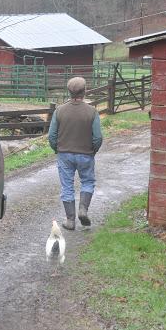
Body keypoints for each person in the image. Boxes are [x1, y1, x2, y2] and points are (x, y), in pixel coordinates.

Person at [48, 76, 103, 230]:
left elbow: (52, 136)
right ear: (84, 92)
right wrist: (93, 150)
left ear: (69, 92)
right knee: (87, 182)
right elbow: (98, 137)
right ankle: (83, 210)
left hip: (64, 154)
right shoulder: (92, 112)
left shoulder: (59, 111)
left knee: (67, 187)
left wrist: (57, 149)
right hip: (86, 154)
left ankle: (70, 221)